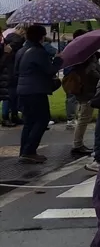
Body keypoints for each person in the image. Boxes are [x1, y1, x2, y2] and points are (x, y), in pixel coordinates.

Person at [14, 24, 62, 163]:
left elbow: (16, 70)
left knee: (29, 121)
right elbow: (49, 70)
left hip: (22, 89)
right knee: (42, 119)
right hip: (36, 90)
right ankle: (30, 151)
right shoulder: (38, 52)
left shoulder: (22, 50)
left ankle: (24, 151)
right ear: (41, 37)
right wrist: (58, 59)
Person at [61, 50, 100, 157]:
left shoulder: (77, 57)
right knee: (84, 118)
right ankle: (77, 144)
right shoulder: (89, 58)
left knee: (82, 117)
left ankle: (78, 143)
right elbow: (92, 73)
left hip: (82, 90)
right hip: (88, 91)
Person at [1, 30, 25, 127]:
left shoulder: (10, 45)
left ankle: (11, 116)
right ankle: (6, 117)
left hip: (9, 74)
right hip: (9, 74)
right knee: (8, 96)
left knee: (13, 96)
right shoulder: (13, 44)